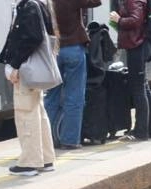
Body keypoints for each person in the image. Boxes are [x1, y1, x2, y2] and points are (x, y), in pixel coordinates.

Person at [0, 0, 56, 175]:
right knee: (38, 112)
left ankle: (29, 162)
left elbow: (32, 37)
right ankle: (46, 158)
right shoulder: (40, 4)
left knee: (25, 113)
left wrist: (14, 64)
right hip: (34, 69)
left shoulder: (28, 6)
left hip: (27, 70)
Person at [45, 0, 101, 149]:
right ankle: (69, 140)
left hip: (53, 51)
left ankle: (47, 140)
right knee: (74, 96)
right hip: (73, 49)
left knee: (51, 96)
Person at [112, 0, 151, 139]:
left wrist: (119, 20)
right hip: (139, 45)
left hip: (136, 46)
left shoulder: (133, 0)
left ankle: (141, 131)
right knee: (144, 87)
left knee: (138, 89)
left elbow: (136, 20)